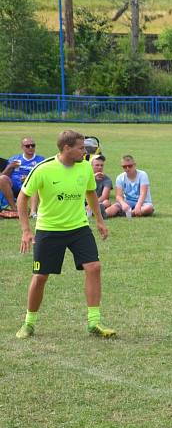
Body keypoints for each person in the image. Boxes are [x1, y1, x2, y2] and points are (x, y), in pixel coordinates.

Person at [15, 130, 115, 339]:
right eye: (81, 148)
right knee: (41, 277)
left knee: (94, 267)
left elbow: (90, 192)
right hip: (49, 230)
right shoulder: (43, 169)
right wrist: (26, 230)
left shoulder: (84, 168)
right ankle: (29, 323)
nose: (84, 152)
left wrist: (99, 220)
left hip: (78, 228)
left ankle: (94, 322)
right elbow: (22, 198)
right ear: (66, 148)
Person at [3, 137, 45, 215]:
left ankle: (33, 212)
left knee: (33, 181)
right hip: (14, 187)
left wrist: (29, 178)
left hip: (31, 187)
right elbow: (4, 177)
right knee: (2, 178)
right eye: (27, 146)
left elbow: (44, 176)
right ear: (22, 147)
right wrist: (9, 167)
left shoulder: (41, 160)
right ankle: (15, 209)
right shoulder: (15, 159)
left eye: (33, 145)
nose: (31, 148)